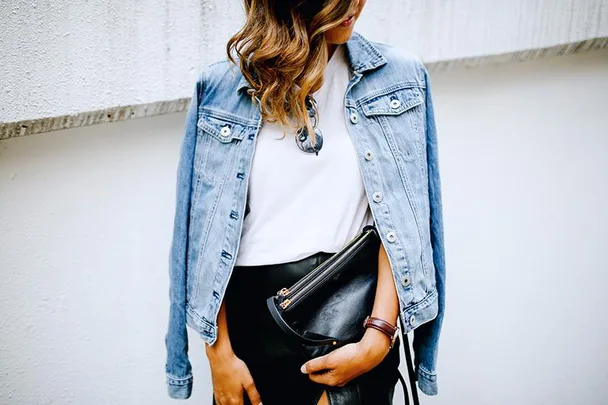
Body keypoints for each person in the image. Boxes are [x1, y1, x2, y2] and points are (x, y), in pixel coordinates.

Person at [164, 0, 446, 404]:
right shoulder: (220, 89)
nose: (356, 5)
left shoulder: (396, 78)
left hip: (353, 322)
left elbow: (406, 220)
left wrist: (378, 337)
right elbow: (201, 236)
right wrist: (219, 354)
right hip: (249, 338)